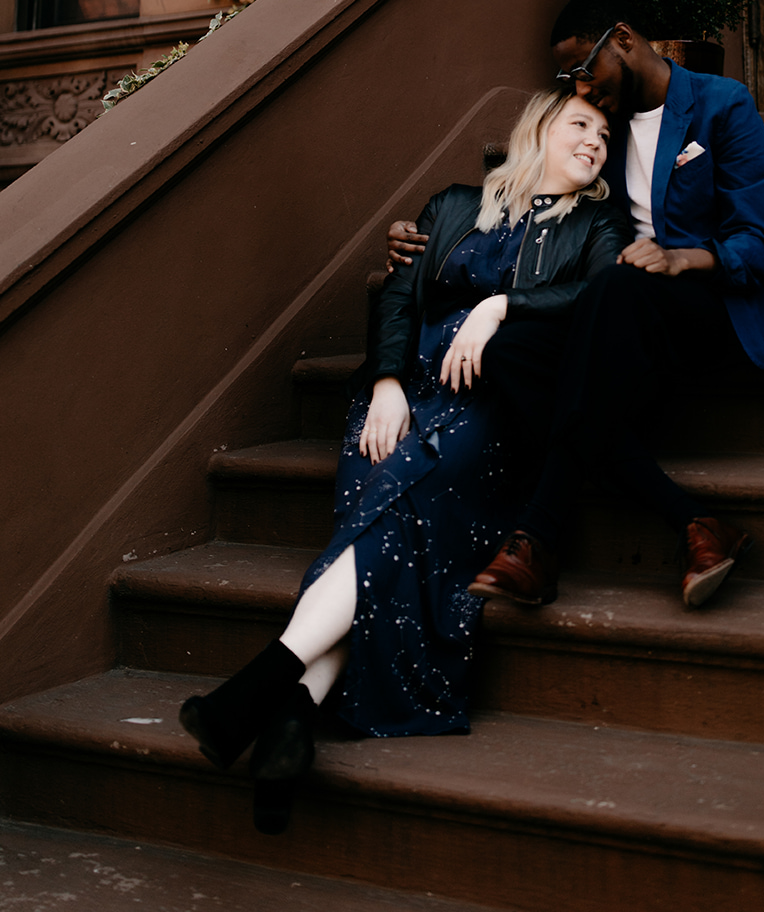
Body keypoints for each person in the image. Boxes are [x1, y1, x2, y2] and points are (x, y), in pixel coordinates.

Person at [179, 90, 631, 834]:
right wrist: (386, 380)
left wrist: (501, 308)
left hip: (490, 406)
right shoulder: (451, 204)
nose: (594, 141)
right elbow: (398, 299)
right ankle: (287, 716)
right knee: (377, 525)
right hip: (403, 395)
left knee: (385, 517)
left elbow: (604, 293)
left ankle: (252, 693)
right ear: (537, 132)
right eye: (579, 125)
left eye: (605, 135)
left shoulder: (597, 224)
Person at [389, 0, 764, 614]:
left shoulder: (722, 106)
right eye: (568, 82)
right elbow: (534, 199)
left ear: (625, 40)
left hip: (714, 307)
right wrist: (426, 232)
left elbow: (762, 241)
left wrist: (682, 258)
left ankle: (537, 535)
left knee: (616, 286)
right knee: (510, 347)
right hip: (623, 317)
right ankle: (693, 521)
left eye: (585, 70)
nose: (581, 91)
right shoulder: (602, 139)